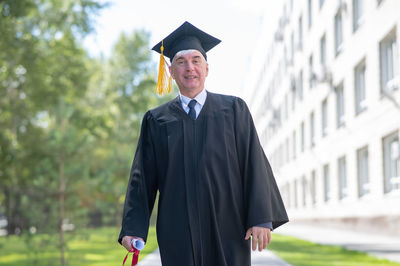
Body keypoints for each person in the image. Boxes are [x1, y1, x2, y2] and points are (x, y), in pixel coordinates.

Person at [118, 21, 288, 266]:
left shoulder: (234, 110)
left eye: (196, 60)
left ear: (207, 68)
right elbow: (142, 179)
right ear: (170, 71)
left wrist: (261, 217)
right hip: (177, 229)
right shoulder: (156, 120)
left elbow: (254, 162)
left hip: (229, 227)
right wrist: (133, 228)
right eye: (181, 62)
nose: (190, 68)